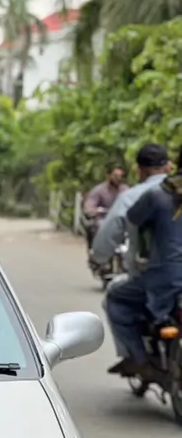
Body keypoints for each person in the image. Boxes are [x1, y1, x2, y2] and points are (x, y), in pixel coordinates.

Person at [105, 146, 182, 380]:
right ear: (166, 164)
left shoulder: (159, 194)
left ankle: (138, 359)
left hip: (167, 277)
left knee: (116, 298)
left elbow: (133, 219)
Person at [91, 144, 170, 277]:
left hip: (146, 277)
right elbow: (90, 204)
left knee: (114, 293)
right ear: (168, 167)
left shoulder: (129, 196)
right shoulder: (176, 193)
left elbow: (106, 239)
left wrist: (99, 256)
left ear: (138, 170)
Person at [82, 164, 127, 248]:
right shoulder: (99, 190)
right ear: (108, 175)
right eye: (115, 175)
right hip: (103, 219)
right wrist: (92, 210)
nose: (118, 178)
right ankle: (95, 250)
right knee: (93, 226)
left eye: (120, 176)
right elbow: (90, 204)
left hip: (121, 220)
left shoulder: (126, 190)